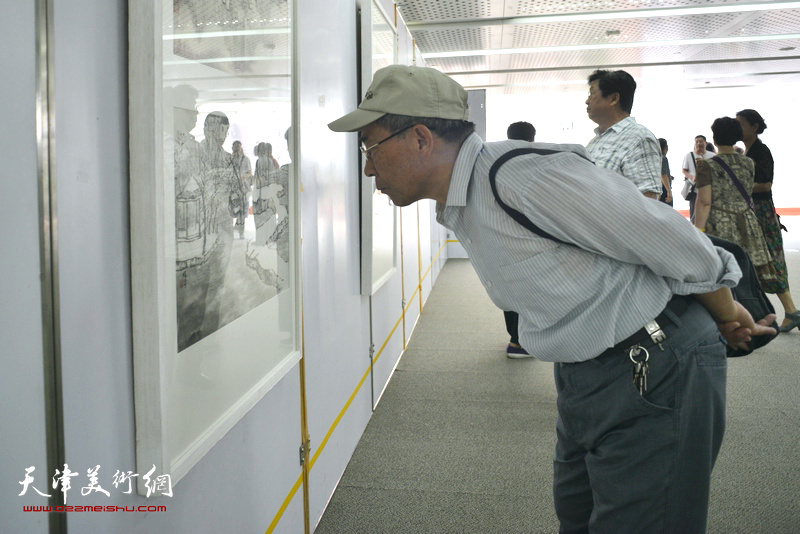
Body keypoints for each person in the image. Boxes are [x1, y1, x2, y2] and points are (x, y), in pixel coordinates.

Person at [328, 65, 775, 533]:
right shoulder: (466, 199)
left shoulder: (521, 178)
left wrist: (727, 314)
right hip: (588, 371)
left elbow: (672, 239)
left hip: (656, 360)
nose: (368, 166)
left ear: (420, 138)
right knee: (578, 517)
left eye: (371, 147)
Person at [737, 109, 800, 332]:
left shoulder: (761, 151)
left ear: (754, 127)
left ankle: (790, 311)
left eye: (741, 124)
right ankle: (785, 311)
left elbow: (765, 185)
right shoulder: (748, 151)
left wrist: (736, 187)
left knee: (769, 260)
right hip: (755, 211)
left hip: (761, 212)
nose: (738, 128)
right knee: (758, 262)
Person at [693, 117, 776, 287]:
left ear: (714, 139)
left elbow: (704, 202)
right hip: (748, 222)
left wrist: (699, 230)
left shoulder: (707, 165)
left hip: (719, 224)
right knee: (747, 271)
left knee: (723, 273)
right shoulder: (748, 162)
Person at [584, 69, 662, 199]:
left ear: (613, 99)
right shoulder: (595, 141)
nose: (587, 101)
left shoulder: (639, 138)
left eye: (592, 94)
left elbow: (647, 199)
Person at [503, 121, 536, 358]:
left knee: (509, 288)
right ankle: (524, 340)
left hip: (503, 235)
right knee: (531, 288)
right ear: (533, 138)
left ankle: (515, 340)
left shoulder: (496, 161)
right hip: (530, 238)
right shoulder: (537, 162)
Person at [681, 135, 714, 222]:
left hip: (710, 189)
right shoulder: (689, 155)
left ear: (705, 143)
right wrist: (692, 177)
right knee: (694, 214)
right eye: (697, 142)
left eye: (701, 141)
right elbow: (684, 170)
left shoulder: (712, 156)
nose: (699, 144)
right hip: (695, 189)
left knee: (709, 214)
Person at [231, 140, 253, 238]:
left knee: (242, 211)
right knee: (233, 209)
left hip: (243, 188)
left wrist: (243, 177)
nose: (237, 150)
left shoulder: (246, 159)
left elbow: (249, 173)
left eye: (238, 148)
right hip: (234, 188)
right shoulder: (231, 159)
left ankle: (241, 232)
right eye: (235, 148)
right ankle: (236, 226)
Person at [658, 137, 673, 205]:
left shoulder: (655, 158)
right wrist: (669, 191)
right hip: (663, 190)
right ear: (666, 147)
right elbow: (663, 175)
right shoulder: (663, 158)